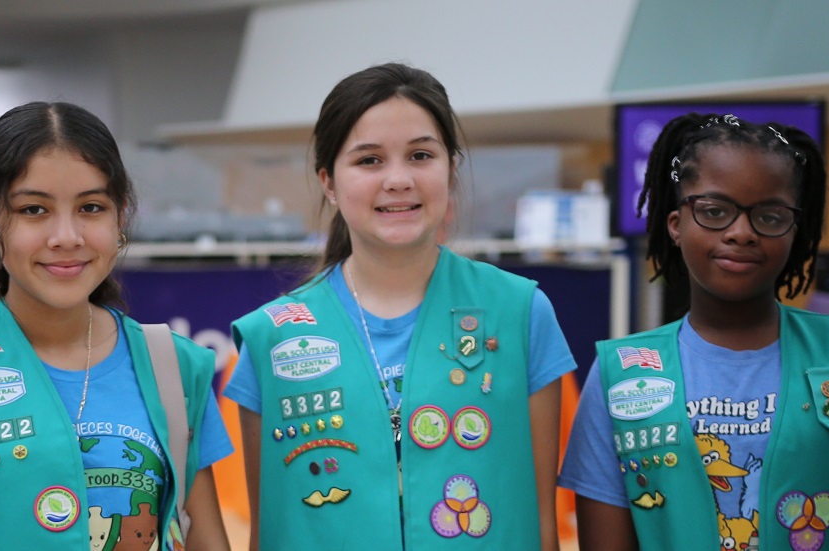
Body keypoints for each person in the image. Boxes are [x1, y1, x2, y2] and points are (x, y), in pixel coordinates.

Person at [226, 63, 572, 550]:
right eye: (369, 161)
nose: (398, 179)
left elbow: (542, 527)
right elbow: (269, 533)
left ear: (450, 167)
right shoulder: (272, 338)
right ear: (328, 181)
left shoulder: (519, 313)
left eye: (420, 155)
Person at [0, 101, 231, 550]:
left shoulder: (174, 364)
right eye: (34, 210)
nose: (66, 236)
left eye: (91, 207)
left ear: (120, 216)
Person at [560, 112, 829, 551]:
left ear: (795, 231)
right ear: (676, 224)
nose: (741, 233)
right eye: (715, 211)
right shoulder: (618, 373)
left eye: (770, 216)